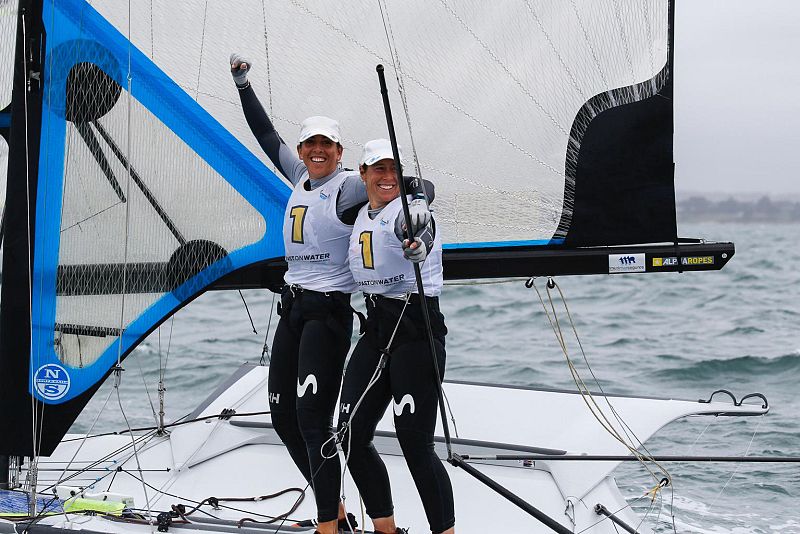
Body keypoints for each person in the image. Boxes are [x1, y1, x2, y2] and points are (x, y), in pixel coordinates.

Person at [230, 56, 433, 534]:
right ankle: (337, 514)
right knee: (283, 418)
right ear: (302, 150)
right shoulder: (300, 176)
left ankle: (330, 527)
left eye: (327, 144)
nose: (317, 151)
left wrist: (419, 202)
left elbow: (408, 183)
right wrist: (242, 86)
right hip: (294, 309)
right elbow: (265, 138)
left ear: (340, 152)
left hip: (328, 314)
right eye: (310, 144)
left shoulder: (346, 188)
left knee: (312, 421)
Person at [339, 139, 455, 534]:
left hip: (415, 331)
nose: (387, 177)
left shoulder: (412, 211)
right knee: (350, 434)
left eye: (394, 170)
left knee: (415, 444)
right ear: (364, 173)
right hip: (375, 331)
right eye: (378, 169)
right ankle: (386, 530)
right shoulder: (359, 211)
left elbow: (420, 226)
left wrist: (418, 243)